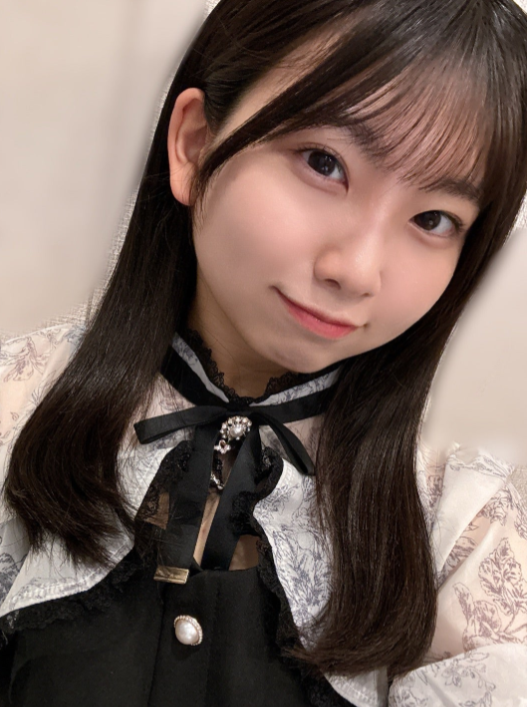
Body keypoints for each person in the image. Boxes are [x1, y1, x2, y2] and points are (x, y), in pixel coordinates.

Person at [1, 0, 527, 704]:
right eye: (323, 163)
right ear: (194, 144)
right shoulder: (17, 407)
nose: (357, 270)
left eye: (433, 219)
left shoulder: (462, 538)